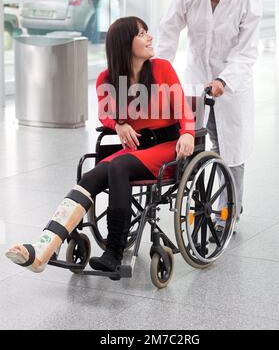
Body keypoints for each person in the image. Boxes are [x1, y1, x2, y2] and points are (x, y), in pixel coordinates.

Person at [6, 16, 195, 274]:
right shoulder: (107, 78)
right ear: (124, 44)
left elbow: (183, 108)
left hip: (167, 146)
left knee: (118, 165)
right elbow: (105, 113)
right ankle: (43, 249)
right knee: (90, 178)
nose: (149, 37)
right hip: (135, 151)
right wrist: (118, 123)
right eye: (141, 33)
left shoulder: (162, 68)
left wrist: (188, 134)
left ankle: (114, 252)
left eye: (147, 31)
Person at [156, 0, 262, 241]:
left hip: (231, 85)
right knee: (194, 142)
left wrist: (223, 80)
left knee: (231, 149)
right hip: (195, 78)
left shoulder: (248, 1)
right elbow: (168, 30)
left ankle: (230, 212)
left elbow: (247, 51)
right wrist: (159, 72)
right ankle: (201, 203)